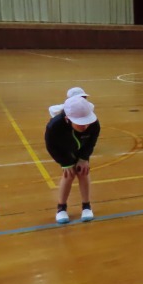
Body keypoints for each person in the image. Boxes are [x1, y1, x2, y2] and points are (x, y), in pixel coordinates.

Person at [45, 96, 101, 224]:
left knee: (83, 172)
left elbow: (91, 142)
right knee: (68, 175)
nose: (85, 126)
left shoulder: (94, 124)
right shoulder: (54, 126)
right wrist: (65, 163)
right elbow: (51, 146)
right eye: (80, 123)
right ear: (67, 119)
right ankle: (61, 207)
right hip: (64, 150)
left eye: (86, 122)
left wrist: (84, 158)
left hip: (82, 148)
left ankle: (86, 206)